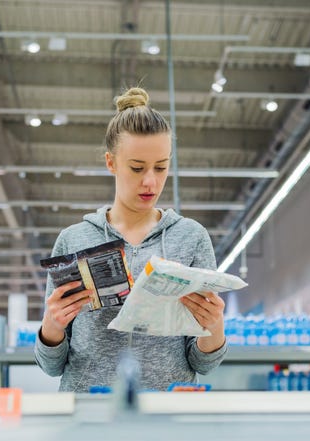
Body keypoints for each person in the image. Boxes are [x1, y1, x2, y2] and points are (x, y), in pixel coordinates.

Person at [34, 87, 227, 392]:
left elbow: (204, 363)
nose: (150, 181)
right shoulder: (74, 240)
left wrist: (214, 326)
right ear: (111, 162)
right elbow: (51, 365)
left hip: (164, 415)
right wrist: (52, 326)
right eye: (137, 168)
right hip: (90, 416)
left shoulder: (191, 238)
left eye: (161, 167)